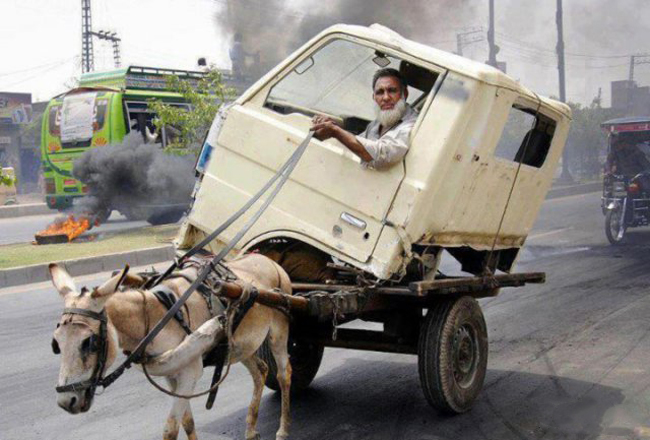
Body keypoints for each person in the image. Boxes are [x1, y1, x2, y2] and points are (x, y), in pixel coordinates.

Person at [311, 67, 418, 170]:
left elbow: (382, 155)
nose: (385, 97)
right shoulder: (377, 123)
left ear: (404, 93)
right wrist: (329, 126)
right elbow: (357, 144)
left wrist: (335, 131)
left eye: (392, 91)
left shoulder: (412, 124)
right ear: (374, 97)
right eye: (380, 92)